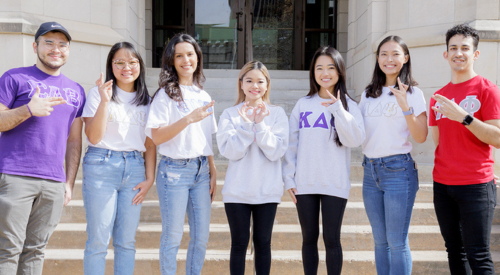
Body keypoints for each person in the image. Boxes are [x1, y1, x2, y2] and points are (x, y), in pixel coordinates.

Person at [0, 22, 86, 274]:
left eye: (62, 44)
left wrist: (68, 182)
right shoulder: (14, 77)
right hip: (15, 175)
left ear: (68, 50)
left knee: (36, 249)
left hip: (53, 182)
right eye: (49, 42)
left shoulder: (76, 90)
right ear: (36, 46)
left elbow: (74, 141)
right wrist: (28, 110)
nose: (55, 49)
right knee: (8, 248)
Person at [282, 46, 365, 275]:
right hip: (305, 183)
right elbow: (291, 144)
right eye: (319, 68)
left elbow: (355, 139)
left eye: (330, 67)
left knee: (332, 239)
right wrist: (289, 178)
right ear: (313, 72)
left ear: (339, 71)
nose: (325, 72)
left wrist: (338, 109)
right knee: (309, 238)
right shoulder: (303, 104)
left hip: (334, 183)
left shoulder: (349, 105)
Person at [429, 23, 500, 274]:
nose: (459, 53)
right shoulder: (438, 97)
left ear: (475, 54)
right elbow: (440, 143)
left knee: (479, 255)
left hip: (476, 186)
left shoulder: (487, 89)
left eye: (465, 48)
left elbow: (498, 138)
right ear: (446, 54)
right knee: (455, 253)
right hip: (443, 186)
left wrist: (465, 117)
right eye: (453, 48)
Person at [81, 42, 156, 275]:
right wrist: (105, 101)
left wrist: (150, 178)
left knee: (126, 241)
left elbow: (150, 144)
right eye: (120, 62)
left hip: (134, 169)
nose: (127, 67)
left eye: (133, 62)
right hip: (101, 165)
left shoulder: (146, 100)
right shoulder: (98, 93)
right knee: (98, 240)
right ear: (111, 65)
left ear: (140, 66)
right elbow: (93, 136)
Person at [145, 33, 217, 275]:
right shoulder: (166, 94)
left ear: (198, 57)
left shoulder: (204, 95)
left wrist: (213, 170)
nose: (186, 60)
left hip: (201, 171)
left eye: (190, 54)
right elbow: (155, 137)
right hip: (174, 171)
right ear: (172, 61)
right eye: (179, 56)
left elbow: (205, 139)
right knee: (173, 236)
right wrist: (188, 119)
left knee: (201, 237)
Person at [358, 35, 428, 275]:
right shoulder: (368, 94)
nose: (389, 59)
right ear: (377, 59)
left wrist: (405, 106)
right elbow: (358, 133)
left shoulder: (414, 93)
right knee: (380, 242)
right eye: (384, 54)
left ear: (405, 58)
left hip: (399, 171)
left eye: (395, 54)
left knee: (397, 242)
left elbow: (420, 136)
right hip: (370, 171)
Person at [217, 61, 289, 275]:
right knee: (239, 244)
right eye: (249, 81)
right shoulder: (230, 114)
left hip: (267, 191)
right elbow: (231, 152)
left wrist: (260, 125)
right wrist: (248, 126)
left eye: (260, 81)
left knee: (263, 243)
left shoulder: (277, 113)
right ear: (241, 84)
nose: (254, 86)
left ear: (267, 85)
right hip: (237, 191)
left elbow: (276, 151)